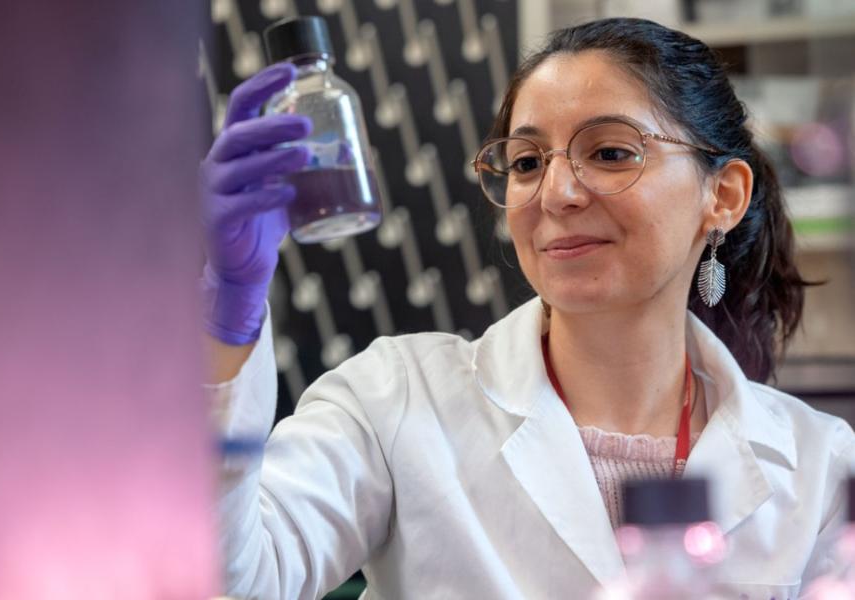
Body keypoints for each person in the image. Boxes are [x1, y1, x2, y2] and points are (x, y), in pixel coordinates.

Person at [200, 17, 855, 599]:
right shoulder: (394, 401)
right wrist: (228, 308)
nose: (556, 192)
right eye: (526, 162)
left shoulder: (821, 466)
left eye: (610, 152)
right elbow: (231, 577)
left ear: (724, 195)